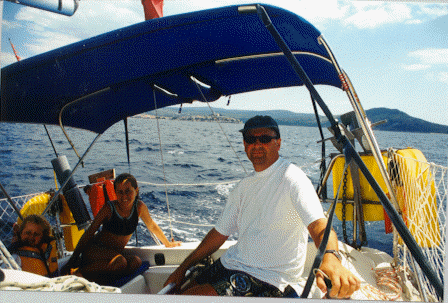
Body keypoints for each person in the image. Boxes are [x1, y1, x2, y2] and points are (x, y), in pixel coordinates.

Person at [164, 115, 360, 298]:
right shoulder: (243, 187)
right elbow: (218, 235)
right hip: (231, 262)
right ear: (244, 144)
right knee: (179, 293)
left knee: (189, 299)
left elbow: (319, 226)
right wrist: (181, 269)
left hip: (268, 277)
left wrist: (331, 257)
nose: (257, 144)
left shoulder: (292, 178)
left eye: (265, 138)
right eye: (250, 138)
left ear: (278, 143)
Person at [61, 173, 181, 284]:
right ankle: (76, 273)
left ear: (136, 190)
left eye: (128, 191)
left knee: (136, 262)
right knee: (121, 262)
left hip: (114, 255)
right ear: (115, 193)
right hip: (95, 252)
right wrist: (72, 260)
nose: (124, 196)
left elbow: (151, 226)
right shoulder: (109, 208)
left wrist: (167, 243)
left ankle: (97, 279)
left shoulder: (139, 207)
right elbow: (89, 233)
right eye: (120, 192)